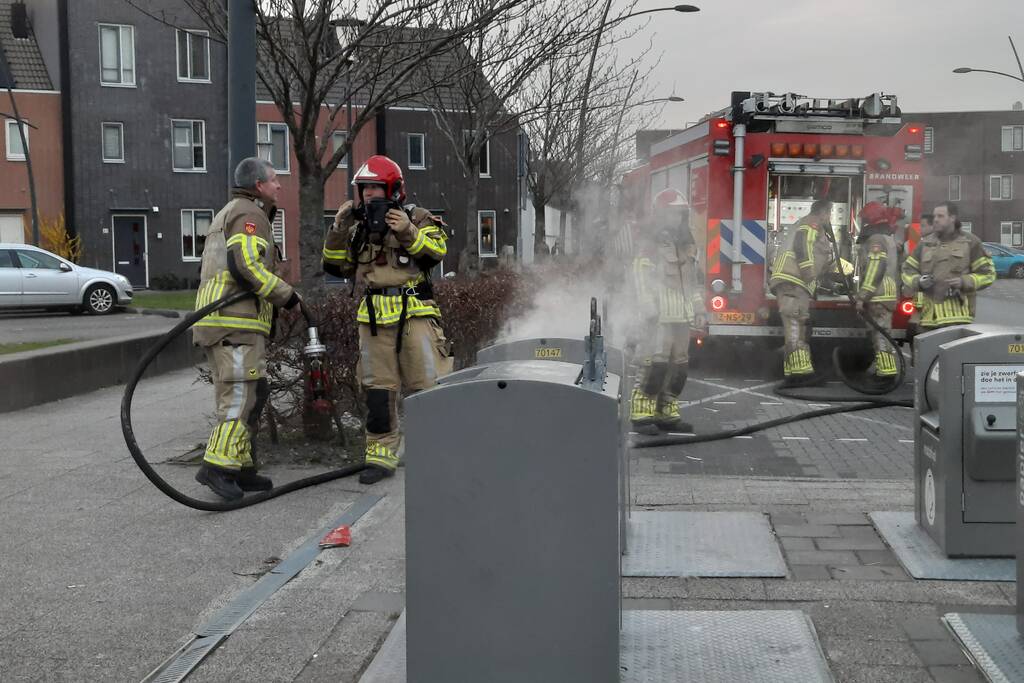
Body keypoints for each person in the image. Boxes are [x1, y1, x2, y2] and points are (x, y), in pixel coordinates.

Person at [322, 155, 452, 484]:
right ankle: (380, 456)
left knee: (427, 387)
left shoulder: (418, 218)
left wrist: (407, 231)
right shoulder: (357, 228)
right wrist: (338, 229)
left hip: (415, 315)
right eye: (364, 189)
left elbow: (435, 254)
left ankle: (435, 453)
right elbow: (336, 266)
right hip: (374, 319)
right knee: (378, 391)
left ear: (393, 189)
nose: (368, 194)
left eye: (375, 188)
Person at [192, 157, 301, 501]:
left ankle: (241, 467)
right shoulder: (249, 214)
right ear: (258, 185)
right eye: (274, 179)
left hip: (225, 321)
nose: (279, 185)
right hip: (234, 322)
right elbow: (245, 266)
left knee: (254, 393)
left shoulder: (233, 212)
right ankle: (217, 467)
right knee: (240, 395)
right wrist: (287, 296)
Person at [629, 189, 706, 434]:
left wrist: (699, 309)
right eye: (672, 213)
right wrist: (648, 307)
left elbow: (692, 282)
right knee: (654, 365)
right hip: (659, 317)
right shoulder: (651, 244)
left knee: (679, 367)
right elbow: (640, 273)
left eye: (680, 214)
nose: (677, 218)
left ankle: (667, 413)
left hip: (682, 317)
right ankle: (642, 414)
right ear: (661, 214)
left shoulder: (687, 245)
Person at [768, 199, 834, 386]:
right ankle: (800, 373)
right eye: (829, 213)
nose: (830, 218)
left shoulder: (810, 224)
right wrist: (808, 273)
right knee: (795, 323)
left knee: (797, 323)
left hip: (794, 281)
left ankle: (794, 371)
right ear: (823, 212)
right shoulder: (811, 223)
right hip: (794, 279)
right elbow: (802, 245)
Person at [901, 202, 995, 330]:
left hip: (957, 319)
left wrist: (964, 282)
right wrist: (918, 281)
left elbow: (988, 274)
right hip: (927, 319)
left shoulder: (970, 242)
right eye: (934, 216)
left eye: (940, 216)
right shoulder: (925, 243)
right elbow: (907, 270)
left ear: (952, 218)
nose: (935, 220)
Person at [854, 202, 901, 387]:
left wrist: (862, 296)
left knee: (880, 334)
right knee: (881, 333)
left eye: (865, 219)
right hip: (885, 293)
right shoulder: (887, 238)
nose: (863, 223)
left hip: (879, 295)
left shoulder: (876, 240)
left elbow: (875, 269)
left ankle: (886, 375)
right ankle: (884, 371)